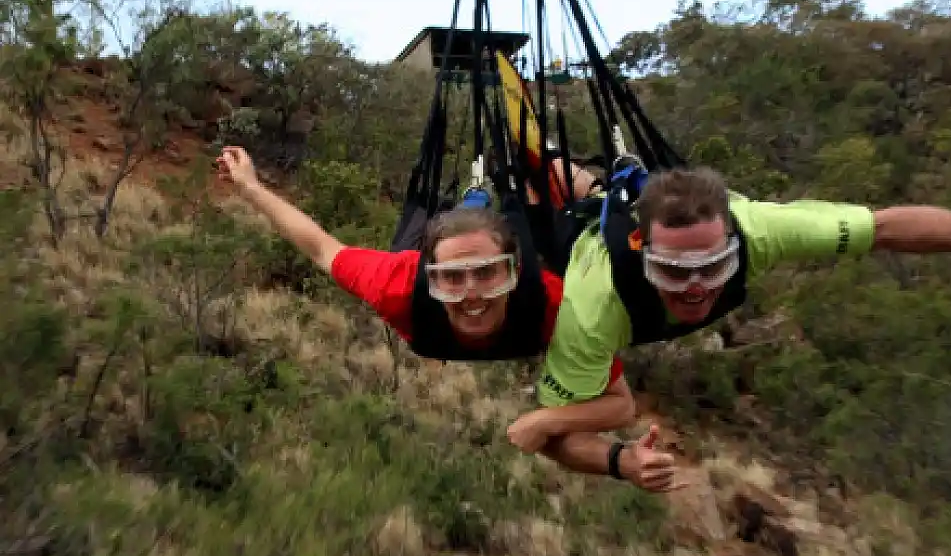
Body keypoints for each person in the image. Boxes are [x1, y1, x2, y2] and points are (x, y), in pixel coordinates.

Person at [508, 164, 951, 486]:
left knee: (589, 182)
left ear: (735, 243)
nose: (695, 288)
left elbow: (884, 227)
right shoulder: (594, 303)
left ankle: (576, 172)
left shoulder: (762, 229)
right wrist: (620, 462)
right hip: (579, 247)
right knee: (560, 200)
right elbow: (555, 430)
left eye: (713, 268)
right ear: (643, 254)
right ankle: (551, 169)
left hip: (647, 244)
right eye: (672, 272)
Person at [214, 145, 676, 491]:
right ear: (429, 277)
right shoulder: (399, 286)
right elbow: (320, 246)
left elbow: (621, 404)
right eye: (452, 279)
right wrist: (251, 187)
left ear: (513, 274)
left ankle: (554, 168)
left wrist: (546, 422)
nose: (472, 295)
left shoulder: (555, 304)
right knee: (512, 209)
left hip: (544, 259)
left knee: (575, 200)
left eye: (488, 275)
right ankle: (497, 189)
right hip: (467, 269)